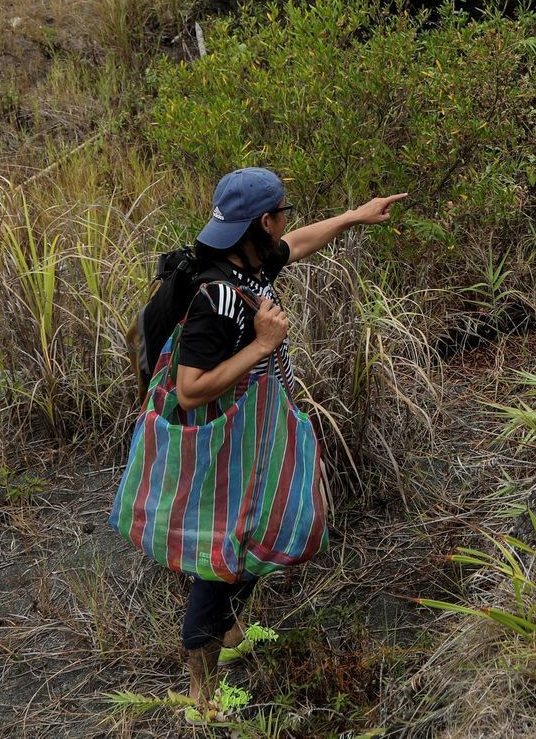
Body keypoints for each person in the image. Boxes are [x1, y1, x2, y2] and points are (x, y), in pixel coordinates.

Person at [173, 166, 407, 712]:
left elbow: (295, 246)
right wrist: (261, 346)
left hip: (260, 431)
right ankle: (201, 693)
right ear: (261, 222)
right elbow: (189, 391)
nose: (286, 225)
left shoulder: (250, 261)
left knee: (276, 522)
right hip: (226, 444)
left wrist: (354, 215)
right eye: (281, 215)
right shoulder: (216, 298)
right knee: (220, 559)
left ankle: (229, 635)